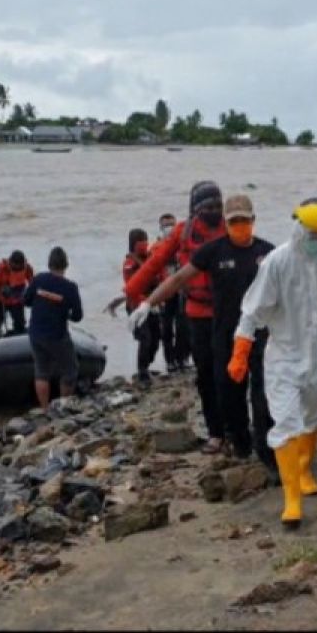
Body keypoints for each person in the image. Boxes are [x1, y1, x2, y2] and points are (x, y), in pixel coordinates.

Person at [230, 198, 317, 528]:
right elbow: (252, 311)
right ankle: (291, 499)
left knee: (314, 416)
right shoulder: (277, 262)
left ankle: (305, 468)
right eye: (314, 234)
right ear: (299, 227)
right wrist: (240, 350)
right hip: (285, 357)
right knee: (286, 423)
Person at [146, 195, 276, 469]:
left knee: (263, 394)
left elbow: (290, 288)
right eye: (234, 221)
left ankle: (268, 451)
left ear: (254, 220)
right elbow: (179, 278)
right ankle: (241, 444)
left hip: (261, 336)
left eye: (244, 220)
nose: (240, 225)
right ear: (226, 223)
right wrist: (148, 302)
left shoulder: (268, 253)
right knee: (230, 393)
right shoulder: (213, 251)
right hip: (226, 335)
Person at [126, 182, 227, 453]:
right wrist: (133, 296)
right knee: (205, 374)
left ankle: (235, 427)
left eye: (218, 206)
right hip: (197, 312)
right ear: (195, 209)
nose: (214, 212)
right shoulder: (183, 234)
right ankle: (216, 433)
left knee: (229, 373)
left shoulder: (230, 229)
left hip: (229, 311)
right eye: (208, 207)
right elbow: (153, 264)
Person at [25, 246, 84, 410]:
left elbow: (26, 300)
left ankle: (44, 408)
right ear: (66, 265)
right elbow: (78, 315)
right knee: (70, 369)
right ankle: (64, 405)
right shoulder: (70, 287)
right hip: (57, 335)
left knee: (41, 371)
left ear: (49, 264)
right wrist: (67, 314)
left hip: (36, 332)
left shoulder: (38, 280)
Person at [104, 229, 160, 385]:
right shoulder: (130, 263)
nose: (144, 243)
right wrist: (145, 302)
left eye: (145, 239)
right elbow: (131, 287)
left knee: (157, 337)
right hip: (137, 305)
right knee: (145, 338)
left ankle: (146, 366)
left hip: (153, 302)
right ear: (133, 244)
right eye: (141, 241)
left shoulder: (151, 257)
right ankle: (142, 372)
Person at [155, 213, 189, 373]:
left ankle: (182, 358)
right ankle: (170, 361)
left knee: (183, 326)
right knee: (166, 328)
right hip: (164, 292)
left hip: (181, 290)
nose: (168, 228)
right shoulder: (156, 247)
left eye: (171, 225)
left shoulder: (183, 244)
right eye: (165, 225)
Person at [0, 250, 33, 338]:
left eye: (20, 268)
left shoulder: (27, 268)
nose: (17, 270)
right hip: (1, 299)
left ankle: (19, 338)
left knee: (20, 323)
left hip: (17, 300)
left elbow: (33, 283)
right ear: (10, 263)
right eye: (15, 268)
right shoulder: (1, 268)